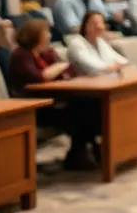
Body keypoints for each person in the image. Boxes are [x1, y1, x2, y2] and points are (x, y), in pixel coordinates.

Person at [8, 18, 95, 170]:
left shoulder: (45, 53)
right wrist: (58, 67)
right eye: (46, 32)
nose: (49, 35)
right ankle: (77, 155)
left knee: (90, 104)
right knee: (82, 112)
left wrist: (59, 68)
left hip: (52, 101)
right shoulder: (21, 55)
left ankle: (81, 152)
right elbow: (39, 77)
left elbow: (70, 71)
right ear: (35, 35)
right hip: (33, 108)